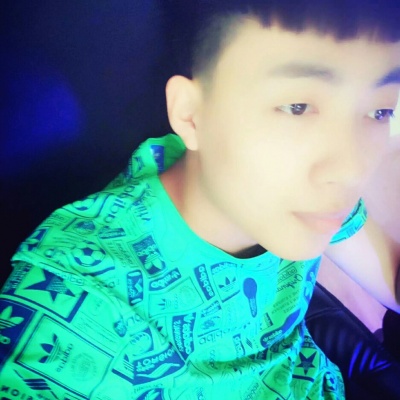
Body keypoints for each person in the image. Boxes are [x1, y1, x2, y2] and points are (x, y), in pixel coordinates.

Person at [1, 1, 400, 398]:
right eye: (297, 107)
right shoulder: (78, 299)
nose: (352, 170)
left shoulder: (296, 201)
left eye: (380, 110)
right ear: (191, 114)